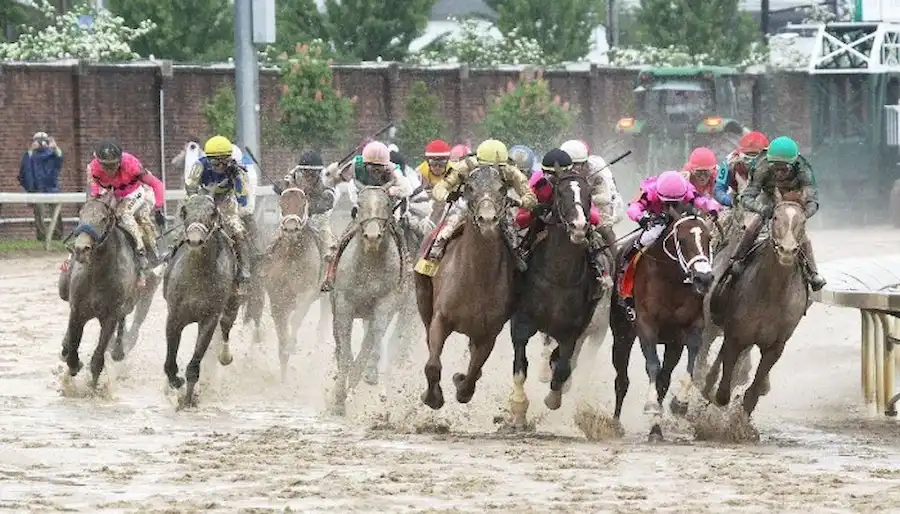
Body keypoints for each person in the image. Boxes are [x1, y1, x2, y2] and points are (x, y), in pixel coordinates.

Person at [723, 136, 827, 291]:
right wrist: (762, 209)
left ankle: (813, 273)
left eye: (783, 168)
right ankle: (737, 259)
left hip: (794, 198)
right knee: (754, 225)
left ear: (793, 164)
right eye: (775, 167)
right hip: (769, 197)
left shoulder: (804, 169)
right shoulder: (762, 166)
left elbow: (813, 200)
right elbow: (747, 196)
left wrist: (803, 215)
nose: (778, 172)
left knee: (800, 233)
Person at [419, 139, 538, 272]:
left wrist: (519, 202)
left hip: (500, 210)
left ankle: (517, 263)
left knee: (514, 242)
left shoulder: (510, 170)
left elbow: (531, 198)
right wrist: (447, 196)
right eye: (484, 167)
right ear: (478, 162)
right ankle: (431, 262)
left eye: (495, 169)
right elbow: (439, 188)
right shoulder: (466, 166)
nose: (489, 172)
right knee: (444, 235)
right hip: (469, 208)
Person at [618, 170, 721, 320]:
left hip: (682, 221)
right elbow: (633, 208)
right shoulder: (649, 191)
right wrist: (642, 218)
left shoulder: (687, 189)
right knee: (647, 239)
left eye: (675, 202)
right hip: (656, 221)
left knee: (698, 239)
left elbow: (703, 201)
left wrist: (712, 208)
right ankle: (626, 272)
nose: (670, 206)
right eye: (667, 202)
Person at [515, 148, 612, 295]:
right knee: (520, 246)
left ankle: (603, 272)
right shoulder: (537, 184)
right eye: (551, 175)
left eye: (561, 173)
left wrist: (584, 215)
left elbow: (595, 217)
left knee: (596, 239)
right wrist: (534, 211)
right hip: (545, 223)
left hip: (573, 223)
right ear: (542, 172)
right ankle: (514, 279)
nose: (556, 178)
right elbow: (519, 221)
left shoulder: (577, 184)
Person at [320, 141, 412, 291]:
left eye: (379, 168)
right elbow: (338, 181)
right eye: (371, 167)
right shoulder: (355, 167)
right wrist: (363, 201)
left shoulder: (393, 170)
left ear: (386, 165)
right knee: (345, 236)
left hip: (385, 211)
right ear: (365, 163)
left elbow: (407, 188)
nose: (375, 171)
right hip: (363, 210)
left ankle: (405, 272)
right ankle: (330, 274)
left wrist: (391, 191)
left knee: (399, 235)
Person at [87, 139, 166, 275]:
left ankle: (143, 252)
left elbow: (157, 184)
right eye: (105, 166)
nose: (110, 170)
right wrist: (96, 197)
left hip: (139, 192)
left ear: (120, 160)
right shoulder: (93, 168)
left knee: (126, 214)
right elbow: (95, 188)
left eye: (113, 165)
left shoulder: (131, 164)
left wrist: (159, 207)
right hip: (117, 194)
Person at [184, 135, 254, 285]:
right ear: (208, 159)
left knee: (237, 229)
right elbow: (190, 188)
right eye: (215, 162)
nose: (219, 166)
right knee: (187, 226)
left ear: (229, 159)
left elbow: (243, 199)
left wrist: (237, 179)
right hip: (202, 201)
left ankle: (244, 268)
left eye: (224, 161)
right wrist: (197, 203)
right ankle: (170, 258)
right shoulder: (199, 165)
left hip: (226, 202)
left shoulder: (237, 170)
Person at [559, 139, 619, 247]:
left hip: (599, 205)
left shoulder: (597, 173)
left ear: (585, 163)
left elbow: (605, 198)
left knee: (604, 229)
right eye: (568, 165)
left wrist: (582, 198)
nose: (572, 169)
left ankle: (616, 259)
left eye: (576, 165)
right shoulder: (559, 171)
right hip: (571, 207)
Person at [282, 151, 338, 263]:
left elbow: (327, 203)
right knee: (282, 228)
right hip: (298, 214)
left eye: (312, 174)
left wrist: (309, 204)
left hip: (318, 215)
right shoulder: (293, 176)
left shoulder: (327, 182)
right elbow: (284, 193)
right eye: (305, 172)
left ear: (318, 173)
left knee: (322, 229)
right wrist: (285, 186)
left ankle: (329, 258)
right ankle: (268, 253)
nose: (308, 176)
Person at [19, 131, 64, 241]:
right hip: (38, 189)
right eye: (38, 140)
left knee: (56, 213)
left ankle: (57, 235)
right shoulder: (30, 156)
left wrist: (55, 147)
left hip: (52, 188)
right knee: (39, 214)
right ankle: (42, 236)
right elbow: (24, 171)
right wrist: (30, 188)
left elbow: (59, 158)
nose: (41, 143)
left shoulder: (52, 154)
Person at [714, 131, 769, 208]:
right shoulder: (729, 163)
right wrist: (730, 200)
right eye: (747, 155)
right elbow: (718, 190)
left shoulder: (773, 164)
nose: (750, 160)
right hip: (738, 203)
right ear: (740, 153)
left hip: (765, 203)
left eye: (755, 155)